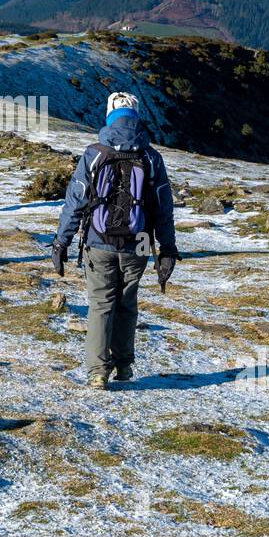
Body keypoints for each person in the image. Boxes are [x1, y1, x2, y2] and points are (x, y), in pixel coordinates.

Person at [51, 92, 178, 389]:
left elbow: (75, 202)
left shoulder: (94, 153)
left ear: (109, 117)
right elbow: (163, 209)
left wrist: (61, 243)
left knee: (101, 306)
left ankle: (97, 372)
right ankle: (123, 367)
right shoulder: (151, 157)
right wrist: (168, 250)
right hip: (140, 243)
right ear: (136, 117)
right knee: (127, 303)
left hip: (98, 241)